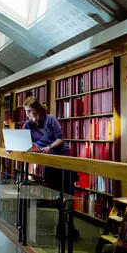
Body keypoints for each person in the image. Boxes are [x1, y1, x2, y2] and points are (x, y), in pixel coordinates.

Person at [22, 96, 80, 240]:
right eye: (26, 111)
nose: (27, 114)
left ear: (37, 110)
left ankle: (66, 226)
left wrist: (48, 147)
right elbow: (24, 142)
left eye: (30, 111)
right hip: (49, 160)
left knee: (67, 193)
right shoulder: (28, 125)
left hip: (63, 157)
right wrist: (13, 147)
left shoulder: (50, 119)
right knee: (55, 193)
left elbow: (60, 138)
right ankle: (66, 226)